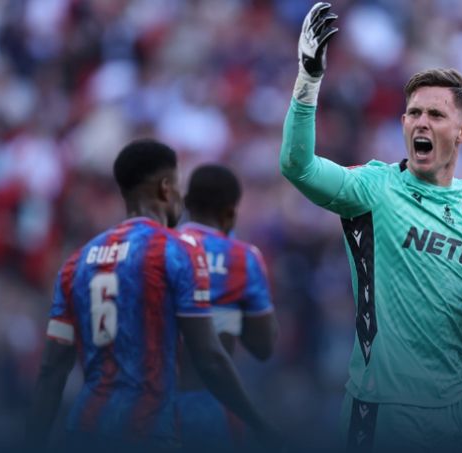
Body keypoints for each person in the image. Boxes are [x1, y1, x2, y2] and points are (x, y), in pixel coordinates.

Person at [280, 3, 462, 452]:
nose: (421, 121)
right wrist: (308, 79)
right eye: (413, 112)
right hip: (381, 409)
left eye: (436, 115)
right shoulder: (374, 188)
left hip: (452, 412)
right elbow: (297, 166)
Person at [25, 139, 279, 452]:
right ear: (165, 189)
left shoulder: (77, 262)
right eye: (178, 188)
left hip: (84, 430)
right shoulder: (178, 251)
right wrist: (259, 424)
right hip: (145, 431)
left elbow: (51, 370)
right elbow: (209, 358)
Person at [175, 164, 278, 452]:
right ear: (231, 212)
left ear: (186, 203)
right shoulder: (242, 258)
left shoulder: (159, 247)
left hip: (149, 405)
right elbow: (263, 347)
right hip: (210, 408)